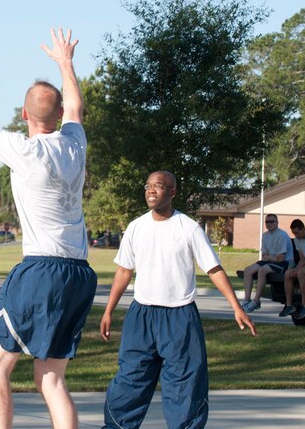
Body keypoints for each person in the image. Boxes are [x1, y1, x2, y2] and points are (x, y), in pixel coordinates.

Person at [0, 28, 98, 429]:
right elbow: (76, 106)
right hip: (80, 272)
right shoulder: (74, 143)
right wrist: (66, 62)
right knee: (50, 378)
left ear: (24, 115)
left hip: (43, 270)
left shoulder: (26, 150)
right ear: (57, 118)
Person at [100, 170, 256, 429]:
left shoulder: (189, 228)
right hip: (142, 317)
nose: (151, 190)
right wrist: (108, 310)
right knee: (130, 381)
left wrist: (236, 307)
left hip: (180, 318)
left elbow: (213, 269)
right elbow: (124, 271)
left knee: (185, 387)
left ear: (172, 191)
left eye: (158, 186)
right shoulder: (136, 227)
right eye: (148, 185)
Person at [241, 213, 293, 312]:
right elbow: (264, 256)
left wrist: (270, 258)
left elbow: (281, 258)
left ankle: (256, 302)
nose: (269, 224)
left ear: (277, 222)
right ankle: (246, 300)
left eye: (271, 221)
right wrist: (272, 257)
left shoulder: (282, 235)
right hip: (271, 261)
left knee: (262, 270)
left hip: (284, 263)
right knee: (247, 270)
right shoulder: (265, 236)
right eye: (267, 222)